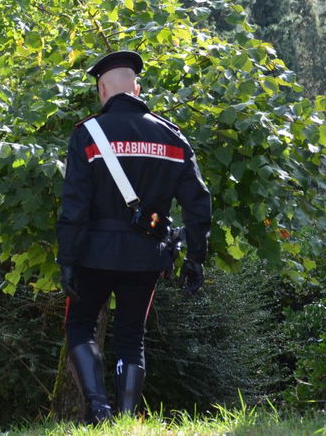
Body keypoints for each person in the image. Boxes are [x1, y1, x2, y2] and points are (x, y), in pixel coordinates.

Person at [56, 51, 211, 423]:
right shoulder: (172, 136)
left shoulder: (88, 134)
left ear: (103, 89)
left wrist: (67, 260)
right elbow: (199, 203)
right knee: (131, 336)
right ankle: (125, 418)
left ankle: (98, 409)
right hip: (146, 255)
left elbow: (74, 206)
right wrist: (196, 257)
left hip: (93, 253)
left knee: (79, 326)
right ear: (136, 87)